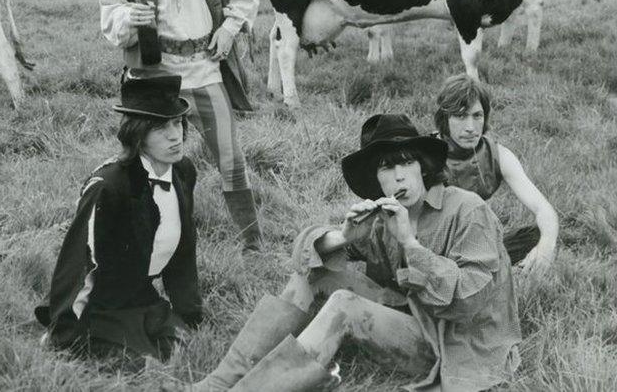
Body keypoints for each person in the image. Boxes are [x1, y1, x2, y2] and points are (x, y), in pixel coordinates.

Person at [195, 114, 520, 392]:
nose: (399, 175)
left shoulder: (467, 210)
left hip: (454, 340)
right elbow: (302, 259)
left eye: (407, 161)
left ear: (423, 166)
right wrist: (343, 236)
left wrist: (411, 244)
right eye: (386, 168)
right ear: (375, 179)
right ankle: (217, 383)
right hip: (409, 312)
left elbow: (470, 301)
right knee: (315, 275)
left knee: (343, 305)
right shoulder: (384, 218)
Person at [98, 0, 263, 251]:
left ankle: (252, 243)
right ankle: (155, 237)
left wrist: (229, 28)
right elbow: (109, 14)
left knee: (230, 158)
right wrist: (129, 17)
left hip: (206, 66)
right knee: (154, 161)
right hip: (157, 74)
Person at [34, 73, 202, 364]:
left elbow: (183, 253)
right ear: (138, 134)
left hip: (142, 296)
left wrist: (190, 314)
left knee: (183, 348)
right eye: (162, 127)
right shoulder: (108, 187)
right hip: (103, 305)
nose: (175, 135)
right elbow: (78, 265)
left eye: (177, 123)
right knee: (139, 364)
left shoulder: (183, 171)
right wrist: (65, 332)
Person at [435, 73, 559, 275]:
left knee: (540, 235)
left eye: (477, 116)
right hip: (435, 249)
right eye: (460, 115)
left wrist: (546, 246)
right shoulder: (426, 155)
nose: (470, 127)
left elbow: (543, 208)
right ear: (444, 119)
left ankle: (495, 272)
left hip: (476, 244)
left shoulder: (498, 154)